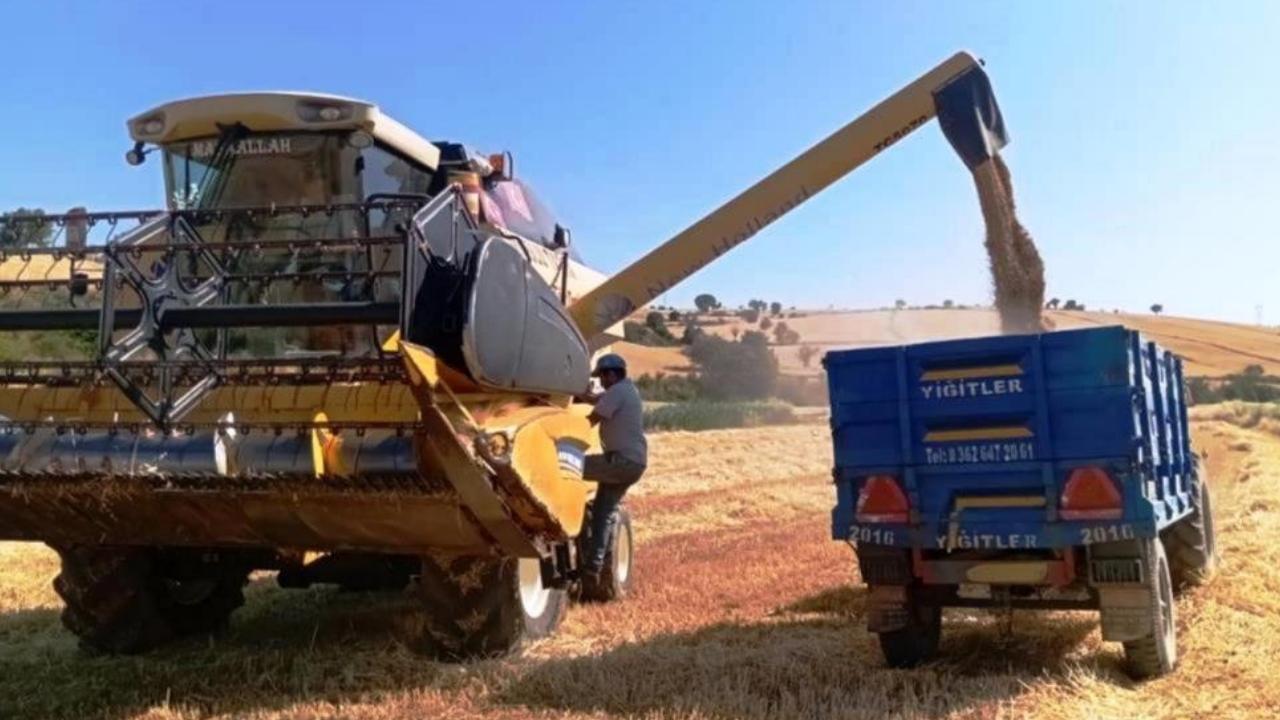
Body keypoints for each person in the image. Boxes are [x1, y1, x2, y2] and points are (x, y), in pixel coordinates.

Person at [581, 353, 647, 583]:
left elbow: (592, 418)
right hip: (634, 463)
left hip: (621, 462)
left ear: (611, 374)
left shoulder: (617, 392)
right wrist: (581, 394)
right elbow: (596, 399)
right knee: (603, 512)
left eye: (602, 377)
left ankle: (593, 563)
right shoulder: (627, 390)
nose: (601, 381)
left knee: (569, 466)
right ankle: (593, 567)